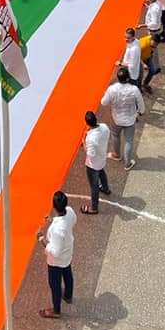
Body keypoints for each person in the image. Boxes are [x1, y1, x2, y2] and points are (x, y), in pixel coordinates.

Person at [39, 190, 77, 319]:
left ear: (54, 206)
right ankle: (68, 295)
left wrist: (42, 240)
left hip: (56, 261)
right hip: (68, 252)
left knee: (54, 284)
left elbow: (55, 252)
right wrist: (53, 220)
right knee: (68, 274)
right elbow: (72, 221)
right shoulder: (70, 211)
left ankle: (56, 310)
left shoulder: (57, 230)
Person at [101, 67, 145, 171]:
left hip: (116, 118)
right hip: (130, 120)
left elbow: (103, 102)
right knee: (128, 141)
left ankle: (116, 155)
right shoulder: (134, 90)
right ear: (128, 78)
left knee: (116, 136)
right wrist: (139, 113)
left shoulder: (112, 89)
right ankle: (127, 164)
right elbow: (141, 106)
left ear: (118, 78)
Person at [81, 111, 111, 214]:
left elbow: (90, 154)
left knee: (94, 186)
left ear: (87, 123)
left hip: (93, 164)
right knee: (102, 173)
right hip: (102, 158)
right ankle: (106, 189)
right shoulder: (104, 127)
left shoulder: (91, 139)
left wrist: (84, 142)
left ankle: (94, 208)